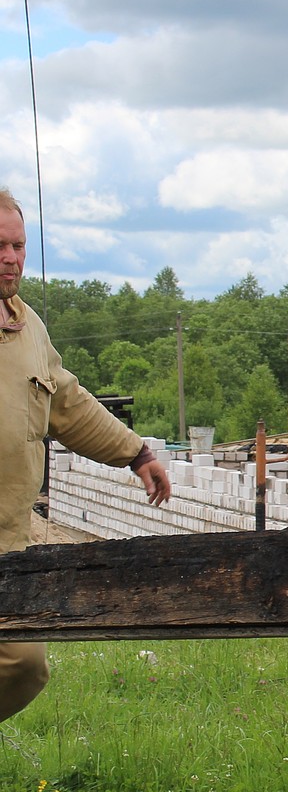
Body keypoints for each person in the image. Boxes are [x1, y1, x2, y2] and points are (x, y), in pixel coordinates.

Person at [0, 187, 170, 720]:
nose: (10, 258)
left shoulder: (27, 328)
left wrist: (136, 453)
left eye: (19, 246)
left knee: (24, 664)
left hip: (7, 539)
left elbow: (68, 404)